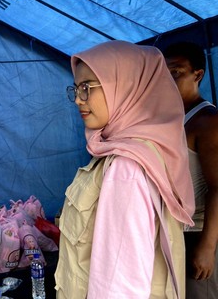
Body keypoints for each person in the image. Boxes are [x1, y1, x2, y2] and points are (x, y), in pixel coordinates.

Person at [55, 40, 195, 298]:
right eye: (75, 89)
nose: (77, 99)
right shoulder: (148, 151)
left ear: (125, 87)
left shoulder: (127, 168)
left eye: (87, 88)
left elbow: (119, 288)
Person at [164, 42, 218, 298]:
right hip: (177, 235)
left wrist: (207, 247)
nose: (168, 80)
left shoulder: (208, 122)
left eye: (176, 72)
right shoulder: (175, 119)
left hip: (199, 233)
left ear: (198, 74)